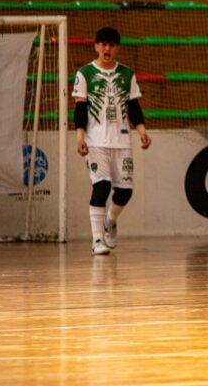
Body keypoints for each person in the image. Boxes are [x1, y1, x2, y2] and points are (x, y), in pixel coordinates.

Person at [73, 27, 151, 256]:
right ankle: (97, 239)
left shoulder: (127, 74)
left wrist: (142, 131)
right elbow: (79, 108)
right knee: (101, 186)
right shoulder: (85, 73)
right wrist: (80, 136)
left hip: (122, 141)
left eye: (112, 45)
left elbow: (134, 107)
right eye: (103, 44)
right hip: (96, 142)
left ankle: (110, 220)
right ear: (96, 46)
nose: (107, 48)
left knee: (125, 192)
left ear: (118, 48)